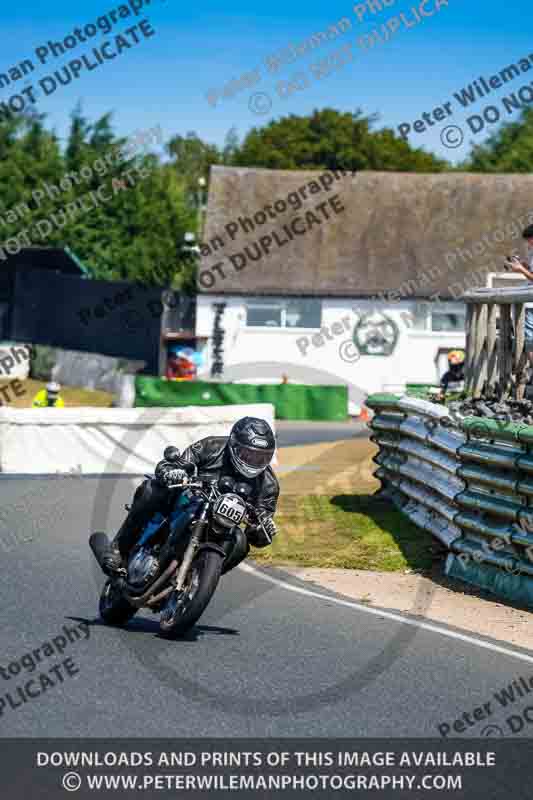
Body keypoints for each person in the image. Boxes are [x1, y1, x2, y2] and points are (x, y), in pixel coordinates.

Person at [102, 416, 279, 576]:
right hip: (188, 499)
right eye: (248, 454)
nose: (253, 462)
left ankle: (200, 578)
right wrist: (173, 472)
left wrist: (263, 530)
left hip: (221, 526)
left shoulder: (268, 484)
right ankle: (119, 548)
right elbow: (173, 464)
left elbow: (259, 532)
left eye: (261, 458)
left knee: (240, 542)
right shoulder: (211, 447)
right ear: (233, 444)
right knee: (151, 489)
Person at [506, 224, 533, 363]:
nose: (528, 244)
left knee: (529, 341)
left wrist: (521, 270)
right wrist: (524, 266)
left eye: (529, 240)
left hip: (531, 303)